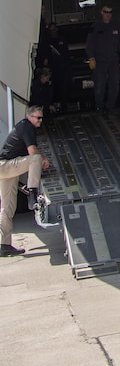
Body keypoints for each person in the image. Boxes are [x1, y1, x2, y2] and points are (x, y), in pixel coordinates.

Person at [0, 106, 50, 256]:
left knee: (7, 208)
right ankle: (32, 192)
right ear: (30, 117)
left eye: (41, 117)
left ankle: (4, 245)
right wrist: (44, 159)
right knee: (35, 159)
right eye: (38, 118)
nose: (40, 120)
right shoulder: (27, 127)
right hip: (6, 166)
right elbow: (32, 152)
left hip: (5, 168)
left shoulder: (23, 125)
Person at [85, 6, 120, 113]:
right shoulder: (95, 27)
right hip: (100, 60)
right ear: (101, 12)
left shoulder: (115, 27)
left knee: (114, 84)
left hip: (113, 60)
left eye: (110, 12)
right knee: (100, 85)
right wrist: (91, 57)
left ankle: (110, 106)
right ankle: (99, 106)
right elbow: (89, 44)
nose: (108, 14)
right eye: (106, 12)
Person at [37, 22, 71, 108]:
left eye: (54, 29)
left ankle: (64, 106)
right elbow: (44, 55)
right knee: (51, 89)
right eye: (51, 30)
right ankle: (52, 107)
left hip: (63, 68)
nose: (53, 31)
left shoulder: (62, 40)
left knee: (64, 89)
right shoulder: (47, 42)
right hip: (52, 69)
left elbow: (66, 54)